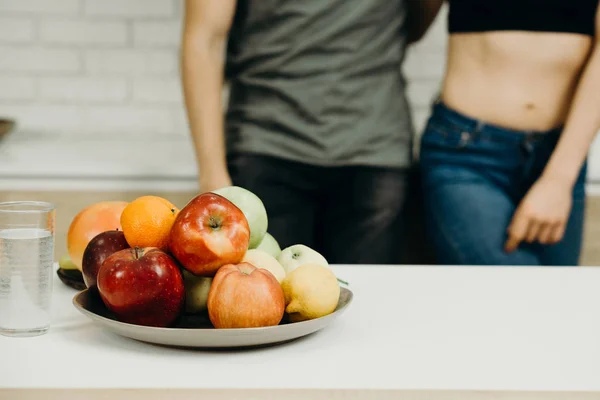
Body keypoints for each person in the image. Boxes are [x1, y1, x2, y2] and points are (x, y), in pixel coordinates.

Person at [180, 0, 440, 264]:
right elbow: (204, 40)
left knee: (371, 301)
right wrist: (211, 175)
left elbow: (415, 21)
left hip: (374, 149)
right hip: (265, 148)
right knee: (266, 300)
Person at [418, 0, 600, 265]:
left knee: (557, 296)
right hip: (466, 154)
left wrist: (558, 180)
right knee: (523, 296)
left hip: (561, 156)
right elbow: (411, 28)